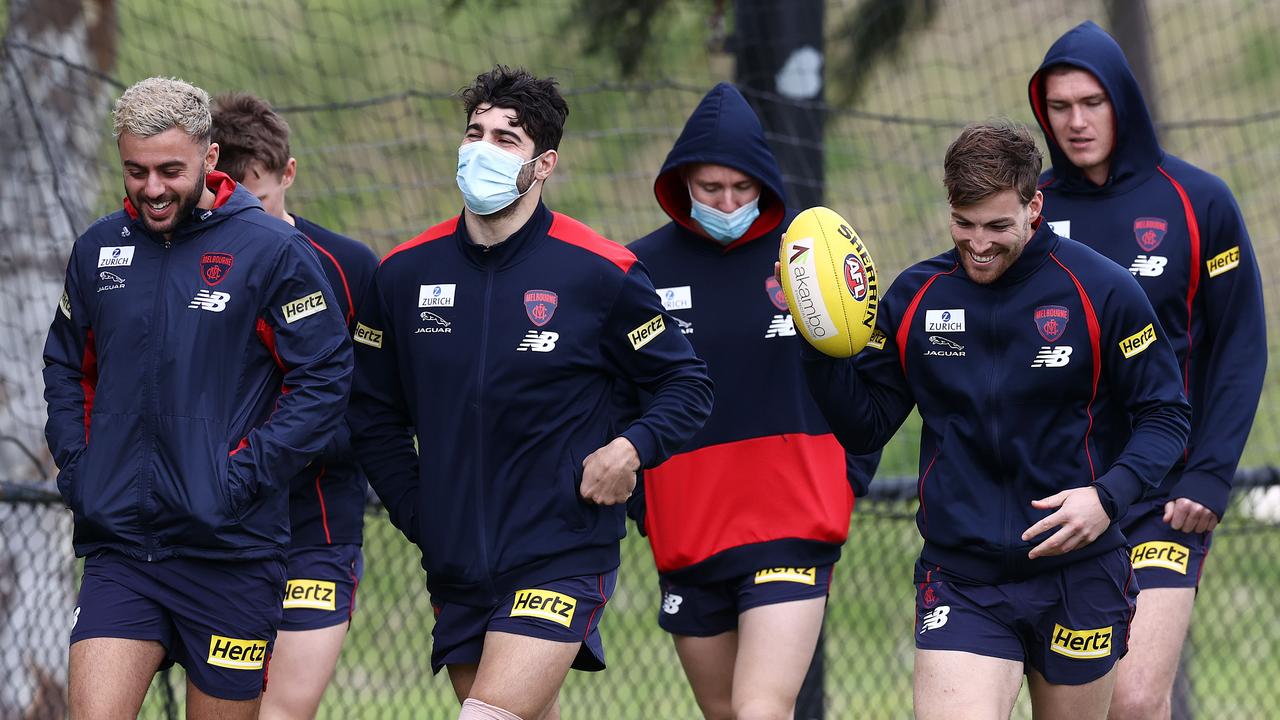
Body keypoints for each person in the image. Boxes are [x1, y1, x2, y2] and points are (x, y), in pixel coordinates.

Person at [347, 65, 714, 720]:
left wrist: (629, 450)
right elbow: (371, 413)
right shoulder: (404, 274)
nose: (481, 151)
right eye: (474, 133)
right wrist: (419, 510)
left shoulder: (602, 272)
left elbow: (685, 383)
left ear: (543, 164)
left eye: (505, 139)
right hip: (456, 564)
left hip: (561, 554)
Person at [800, 121, 1191, 720]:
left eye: (997, 226)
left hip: (1078, 571)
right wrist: (821, 344)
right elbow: (866, 426)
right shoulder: (917, 297)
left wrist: (1107, 499)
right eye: (964, 224)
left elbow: (1166, 415)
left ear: (1035, 206)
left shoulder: (1102, 291)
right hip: (963, 577)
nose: (978, 243)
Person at [42, 77, 353, 720]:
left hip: (232, 558)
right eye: (135, 170)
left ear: (210, 160)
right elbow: (66, 367)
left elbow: (323, 379)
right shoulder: (99, 251)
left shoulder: (273, 252)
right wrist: (81, 467)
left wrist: (237, 480)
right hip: (122, 550)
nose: (152, 188)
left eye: (169, 170)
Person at [1027, 22, 1267, 720]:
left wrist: (1212, 473)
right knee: (1087, 704)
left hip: (1164, 493)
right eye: (1060, 107)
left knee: (1133, 697)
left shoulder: (1201, 202)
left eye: (1092, 102)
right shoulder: (1031, 211)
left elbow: (1239, 347)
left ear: (1123, 101)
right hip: (1061, 499)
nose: (1075, 122)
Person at [626, 82, 878, 720]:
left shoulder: (809, 259)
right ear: (682, 183)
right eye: (712, 189)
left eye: (743, 188)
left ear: (765, 181)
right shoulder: (637, 269)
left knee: (761, 708)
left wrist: (845, 478)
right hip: (689, 527)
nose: (729, 203)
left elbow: (871, 377)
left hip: (791, 524)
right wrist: (646, 502)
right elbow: (615, 398)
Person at [210, 92, 379, 720]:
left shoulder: (351, 266)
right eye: (231, 202)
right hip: (219, 522)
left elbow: (371, 399)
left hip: (319, 523)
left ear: (289, 174)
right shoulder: (193, 263)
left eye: (260, 201)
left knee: (284, 710)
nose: (246, 218)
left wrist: (301, 445)